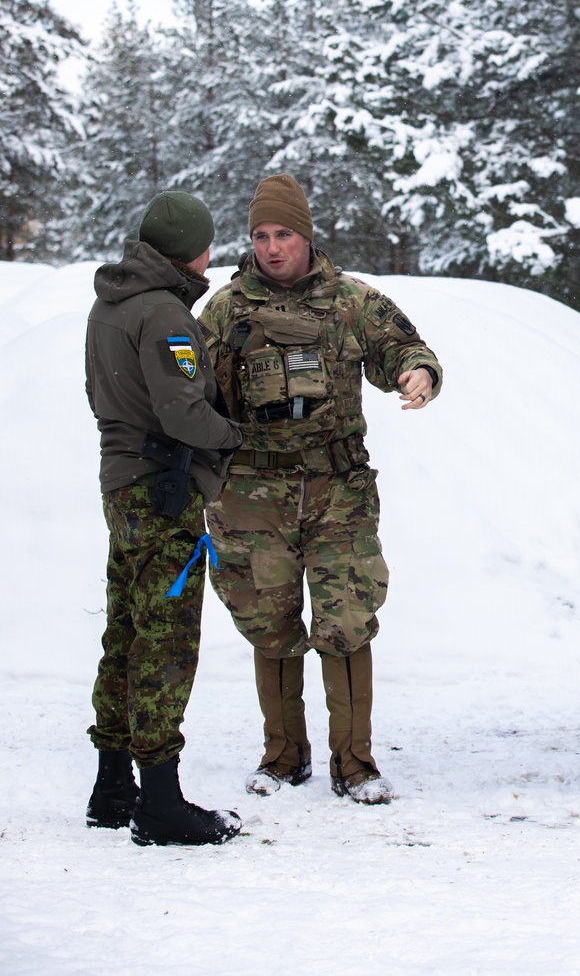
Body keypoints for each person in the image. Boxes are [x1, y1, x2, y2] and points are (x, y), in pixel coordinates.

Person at [199, 173, 442, 804]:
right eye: (260, 235)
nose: (272, 247)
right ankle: (282, 756)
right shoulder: (225, 309)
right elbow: (190, 385)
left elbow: (404, 347)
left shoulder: (353, 301)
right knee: (267, 623)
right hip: (251, 493)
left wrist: (417, 374)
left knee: (347, 620)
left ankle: (354, 762)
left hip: (337, 491)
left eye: (283, 234)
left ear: (306, 235)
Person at [85, 190, 244, 846]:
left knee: (124, 631)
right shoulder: (166, 314)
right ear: (190, 250)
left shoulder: (110, 301)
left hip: (122, 485)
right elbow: (182, 412)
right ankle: (160, 802)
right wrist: (234, 434)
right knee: (167, 640)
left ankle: (111, 785)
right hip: (164, 494)